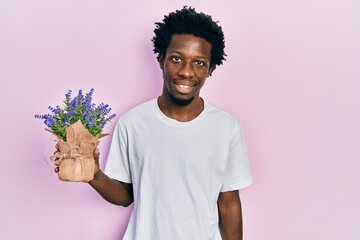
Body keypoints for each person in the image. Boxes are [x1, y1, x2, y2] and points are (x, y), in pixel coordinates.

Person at [57, 6, 252, 240]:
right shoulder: (132, 123)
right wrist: (94, 174)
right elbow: (126, 195)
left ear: (210, 69)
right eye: (176, 59)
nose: (187, 72)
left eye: (199, 63)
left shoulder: (226, 128)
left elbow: (229, 203)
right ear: (161, 60)